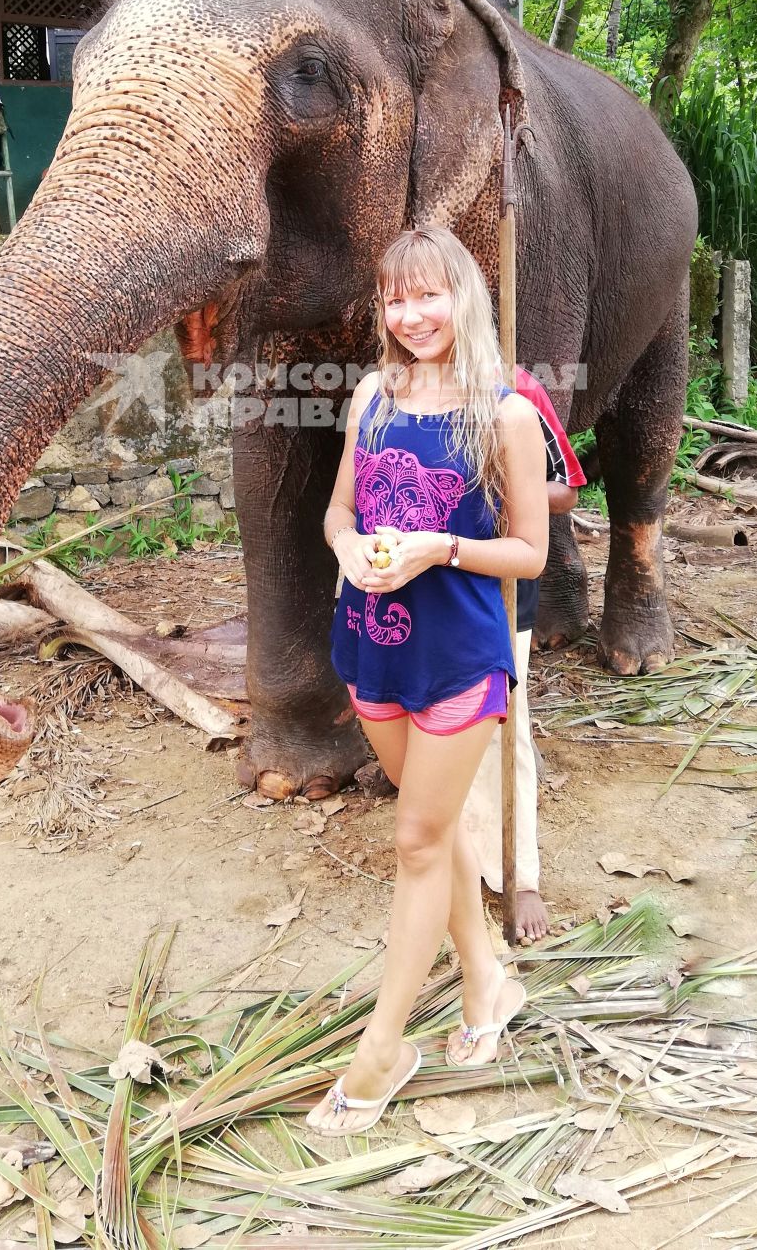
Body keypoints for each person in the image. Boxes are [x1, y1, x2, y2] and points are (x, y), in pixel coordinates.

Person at [306, 226, 550, 1137]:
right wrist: (351, 547)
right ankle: (487, 983)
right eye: (395, 300)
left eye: (429, 296)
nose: (411, 317)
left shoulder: (506, 411)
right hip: (373, 642)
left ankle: (382, 1049)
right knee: (433, 829)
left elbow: (530, 551)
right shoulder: (372, 395)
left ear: (464, 296)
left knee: (414, 839)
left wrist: (439, 548)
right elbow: (338, 508)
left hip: (458, 655)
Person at [464, 365, 587, 942]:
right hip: (425, 588)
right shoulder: (393, 389)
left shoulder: (517, 387)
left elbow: (565, 489)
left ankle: (519, 872)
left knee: (506, 723)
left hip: (504, 589)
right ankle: (457, 864)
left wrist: (502, 486)